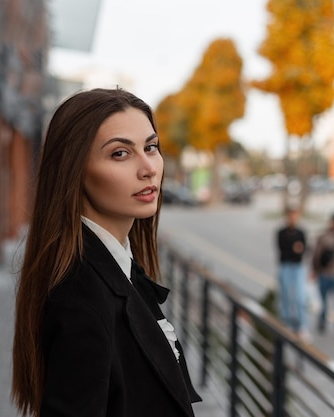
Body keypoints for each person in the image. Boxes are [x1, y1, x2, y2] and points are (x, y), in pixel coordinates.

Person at [11, 88, 201, 417]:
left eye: (151, 147)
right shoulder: (81, 298)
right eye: (119, 154)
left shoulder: (120, 268)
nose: (149, 168)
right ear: (74, 171)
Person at [275, 207, 309, 340]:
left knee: (300, 297)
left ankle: (302, 325)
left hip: (298, 267)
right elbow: (283, 250)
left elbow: (303, 249)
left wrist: (297, 249)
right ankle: (286, 322)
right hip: (285, 266)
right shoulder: (281, 233)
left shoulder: (301, 232)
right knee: (285, 296)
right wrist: (294, 249)